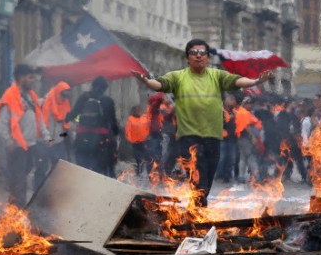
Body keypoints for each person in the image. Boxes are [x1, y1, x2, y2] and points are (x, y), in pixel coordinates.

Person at [132, 38, 273, 206]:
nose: (198, 56)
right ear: (187, 57)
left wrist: (255, 81)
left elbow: (237, 81)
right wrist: (147, 81)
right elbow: (159, 84)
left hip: (213, 137)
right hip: (189, 137)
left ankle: (199, 206)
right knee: (198, 176)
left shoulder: (217, 75)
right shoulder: (178, 77)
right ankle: (199, 207)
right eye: (193, 53)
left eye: (202, 53)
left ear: (207, 57)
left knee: (208, 176)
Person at [0, 64, 51, 206]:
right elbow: (2, 123)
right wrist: (9, 142)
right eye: (30, 77)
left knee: (23, 177)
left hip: (30, 145)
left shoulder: (32, 96)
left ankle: (15, 206)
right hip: (17, 146)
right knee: (19, 180)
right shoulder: (10, 96)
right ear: (21, 78)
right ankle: (18, 211)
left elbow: (39, 119)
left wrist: (46, 136)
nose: (33, 80)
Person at [66, 76, 119, 177]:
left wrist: (64, 118)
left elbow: (72, 114)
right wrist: (116, 133)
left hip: (82, 138)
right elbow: (113, 121)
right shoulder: (107, 100)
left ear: (92, 86)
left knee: (82, 167)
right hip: (100, 140)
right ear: (105, 88)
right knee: (97, 169)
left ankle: (81, 187)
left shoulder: (83, 97)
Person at [41, 82, 72, 169]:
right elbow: (40, 121)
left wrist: (67, 133)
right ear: (58, 92)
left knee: (60, 167)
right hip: (46, 140)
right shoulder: (45, 102)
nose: (64, 98)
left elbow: (67, 122)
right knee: (42, 168)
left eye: (67, 96)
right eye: (63, 95)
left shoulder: (65, 104)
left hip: (59, 140)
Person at [124, 105, 150, 176]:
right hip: (136, 143)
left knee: (148, 157)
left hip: (144, 142)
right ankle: (139, 172)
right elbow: (128, 131)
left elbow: (147, 127)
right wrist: (131, 139)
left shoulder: (144, 118)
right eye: (136, 110)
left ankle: (149, 172)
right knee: (138, 158)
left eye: (139, 110)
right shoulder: (131, 119)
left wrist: (147, 137)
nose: (138, 112)